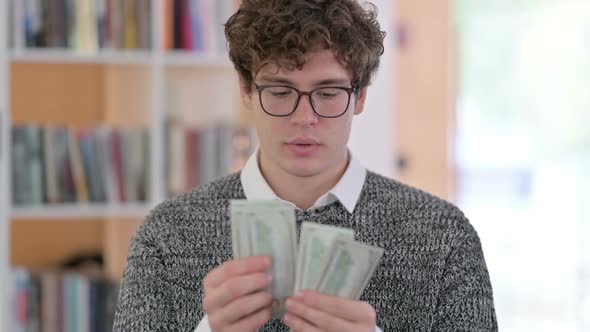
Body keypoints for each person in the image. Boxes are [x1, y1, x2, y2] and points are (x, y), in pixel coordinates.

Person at [113, 0, 498, 331]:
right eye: (280, 92)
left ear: (359, 96)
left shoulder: (446, 236)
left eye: (328, 93)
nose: (304, 117)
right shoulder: (166, 235)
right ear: (246, 90)